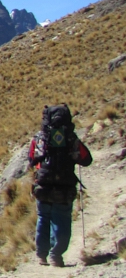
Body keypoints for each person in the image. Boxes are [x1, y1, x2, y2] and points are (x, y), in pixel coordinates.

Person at [29, 104, 92, 267]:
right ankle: (56, 255)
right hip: (65, 187)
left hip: (43, 186)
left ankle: (41, 255)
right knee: (62, 220)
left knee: (43, 218)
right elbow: (86, 159)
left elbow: (31, 159)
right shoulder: (70, 138)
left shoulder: (40, 138)